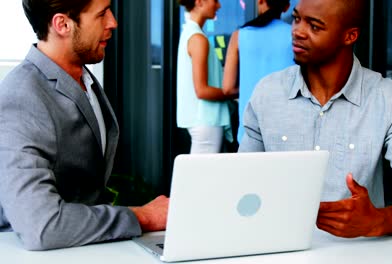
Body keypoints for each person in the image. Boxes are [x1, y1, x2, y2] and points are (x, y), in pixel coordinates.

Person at [238, 0, 392, 238]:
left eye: (314, 26)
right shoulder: (267, 93)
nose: (297, 31)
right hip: (276, 246)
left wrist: (378, 220)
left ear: (350, 36)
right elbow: (242, 182)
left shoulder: (391, 100)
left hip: (357, 254)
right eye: (296, 19)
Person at [0, 0, 168, 250]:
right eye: (101, 14)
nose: (113, 22)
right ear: (62, 24)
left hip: (90, 246)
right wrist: (143, 217)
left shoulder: (82, 77)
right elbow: (41, 226)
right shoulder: (22, 96)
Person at [223, 0, 294, 144]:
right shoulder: (295, 36)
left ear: (260, 1)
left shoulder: (238, 36)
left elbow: (227, 89)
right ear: (286, 7)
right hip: (287, 128)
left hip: (248, 131)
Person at [177, 0, 235, 154]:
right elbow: (202, 91)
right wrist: (234, 92)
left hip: (203, 121)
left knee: (201, 174)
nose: (219, 5)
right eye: (215, 0)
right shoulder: (198, 39)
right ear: (199, 2)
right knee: (202, 176)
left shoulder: (190, 33)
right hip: (206, 121)